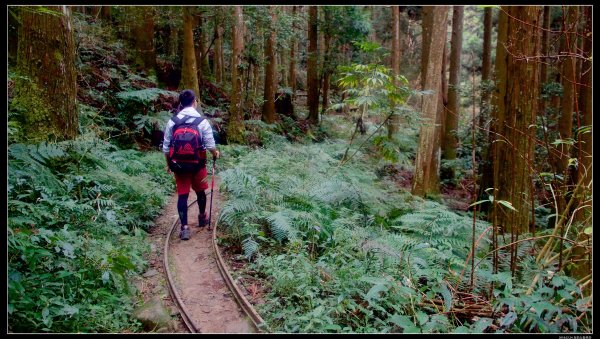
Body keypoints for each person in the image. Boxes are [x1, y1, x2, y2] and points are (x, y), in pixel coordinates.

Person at [163, 89, 220, 240]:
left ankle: (184, 228)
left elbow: (166, 148)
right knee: (200, 192)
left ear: (181, 104)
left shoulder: (172, 122)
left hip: (179, 165)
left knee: (182, 195)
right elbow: (210, 145)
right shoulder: (202, 122)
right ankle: (202, 217)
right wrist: (215, 154)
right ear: (195, 102)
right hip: (198, 165)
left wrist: (169, 164)